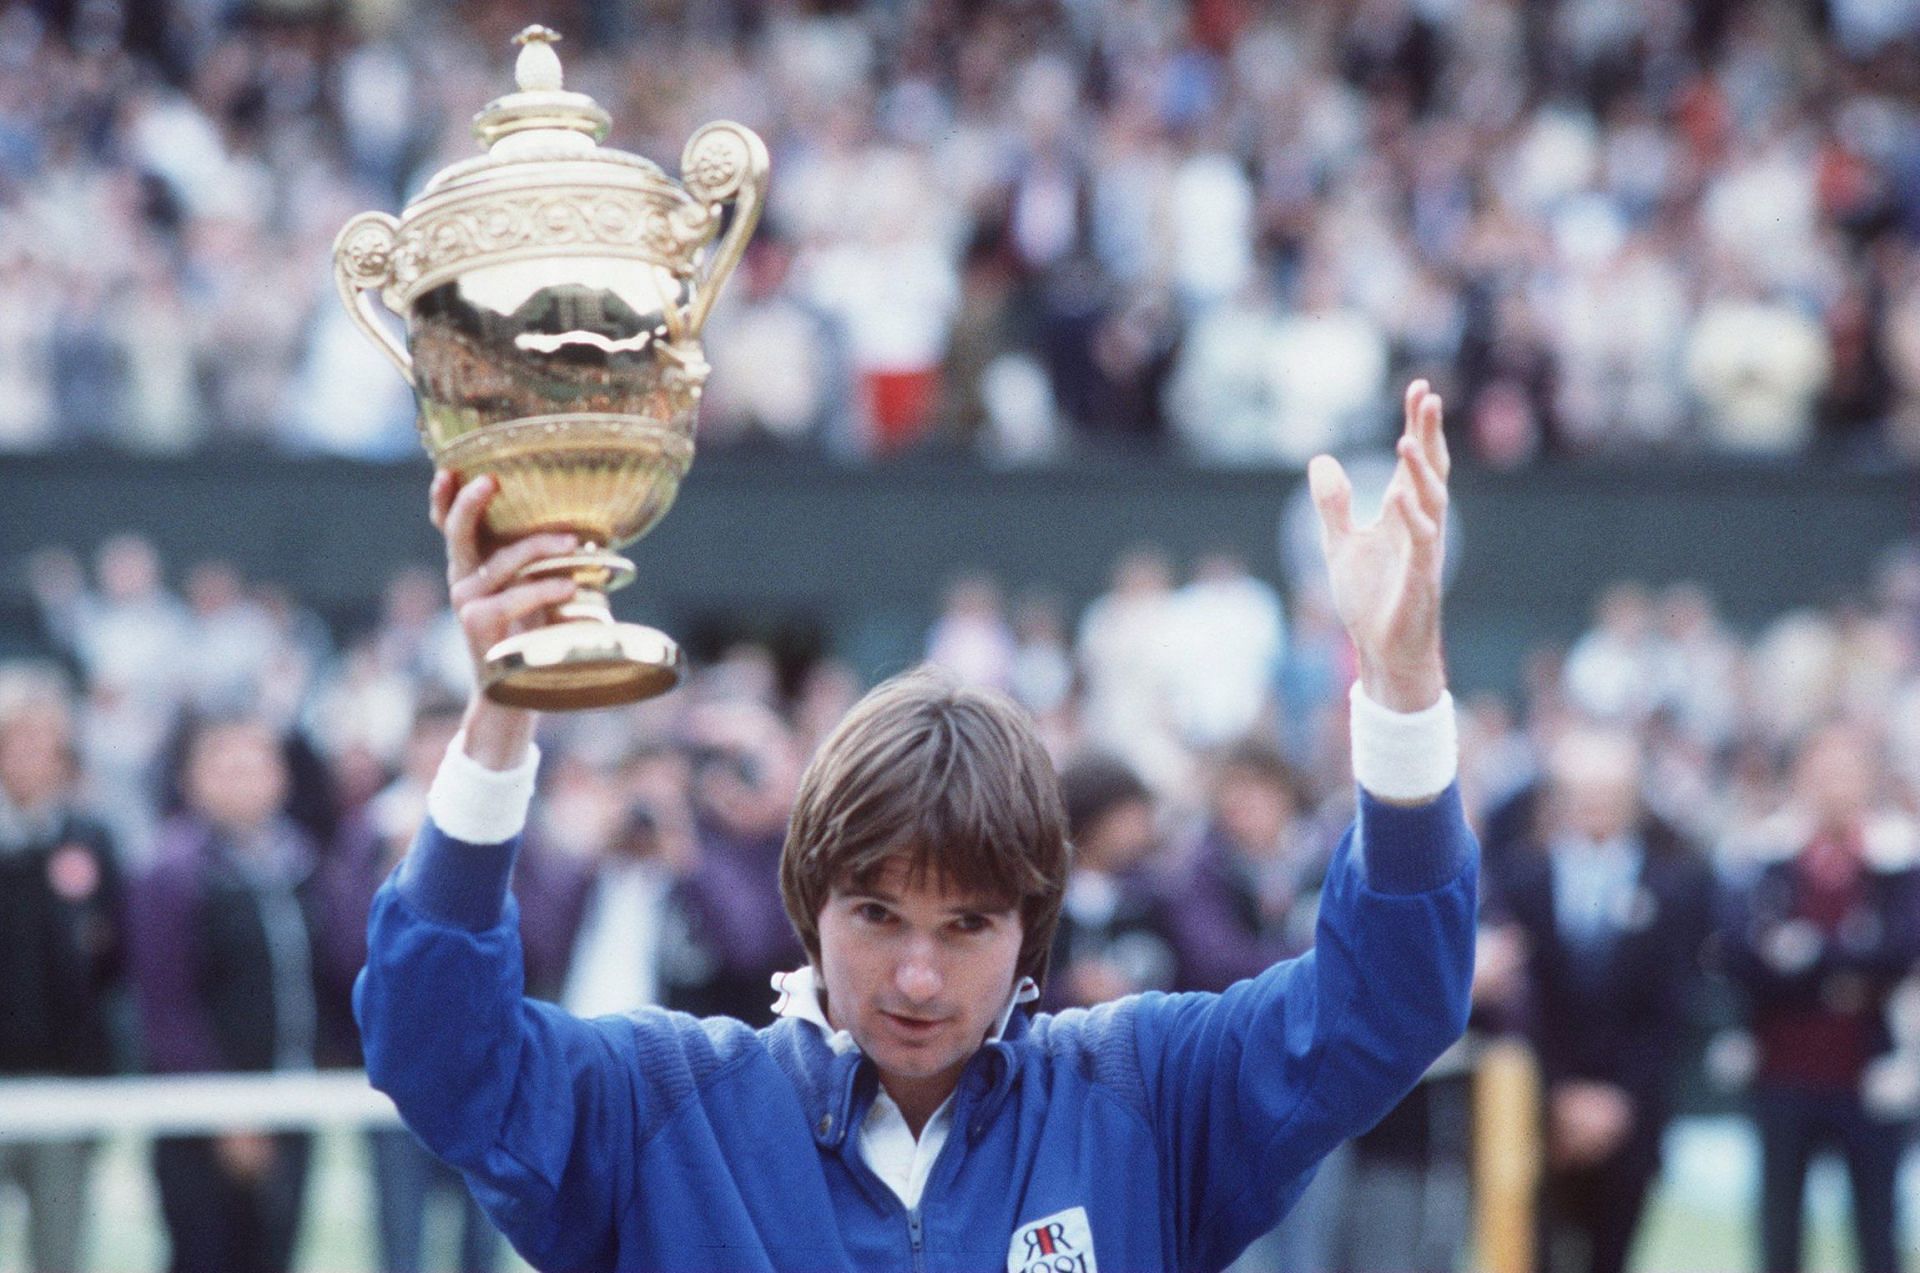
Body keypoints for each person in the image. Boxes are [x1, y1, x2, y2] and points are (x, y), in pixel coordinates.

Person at [354, 380, 1476, 1270]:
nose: (918, 978)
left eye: (968, 925)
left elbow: (1389, 1001)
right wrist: (505, 707)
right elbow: (436, 1045)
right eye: (878, 913)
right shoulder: (663, 1107)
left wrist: (1403, 687)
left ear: (1031, 927)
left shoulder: (1142, 1094)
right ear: (810, 903)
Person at [1489, 726, 1713, 1273]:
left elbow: (1677, 1007)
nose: (1595, 808)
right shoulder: (1518, 878)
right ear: (1558, 800)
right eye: (1582, 794)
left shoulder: (1678, 885)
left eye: (1609, 794)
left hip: (1631, 1117)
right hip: (1535, 1113)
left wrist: (1616, 1101)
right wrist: (1560, 1096)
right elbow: (1517, 1001)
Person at [1722, 721, 1920, 1273]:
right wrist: (1846, 968)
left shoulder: (1898, 857)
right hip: (1783, 1072)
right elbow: (1742, 955)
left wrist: (1806, 956)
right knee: (1779, 1229)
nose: (1835, 787)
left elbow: (1900, 951)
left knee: (1878, 1231)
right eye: (1823, 772)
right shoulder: (1764, 855)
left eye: (1848, 773)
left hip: (1873, 1073)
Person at [131, 715, 327, 1273]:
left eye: (255, 765)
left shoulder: (300, 863)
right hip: (207, 1120)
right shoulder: (170, 872)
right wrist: (227, 1118)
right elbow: (167, 1011)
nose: (242, 780)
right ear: (193, 780)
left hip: (293, 1099)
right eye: (225, 767)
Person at [0, 666, 126, 1273]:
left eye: (40, 741)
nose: (27, 757)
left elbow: (114, 959)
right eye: (13, 740)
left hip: (66, 1081)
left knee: (60, 1252)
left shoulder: (90, 839)